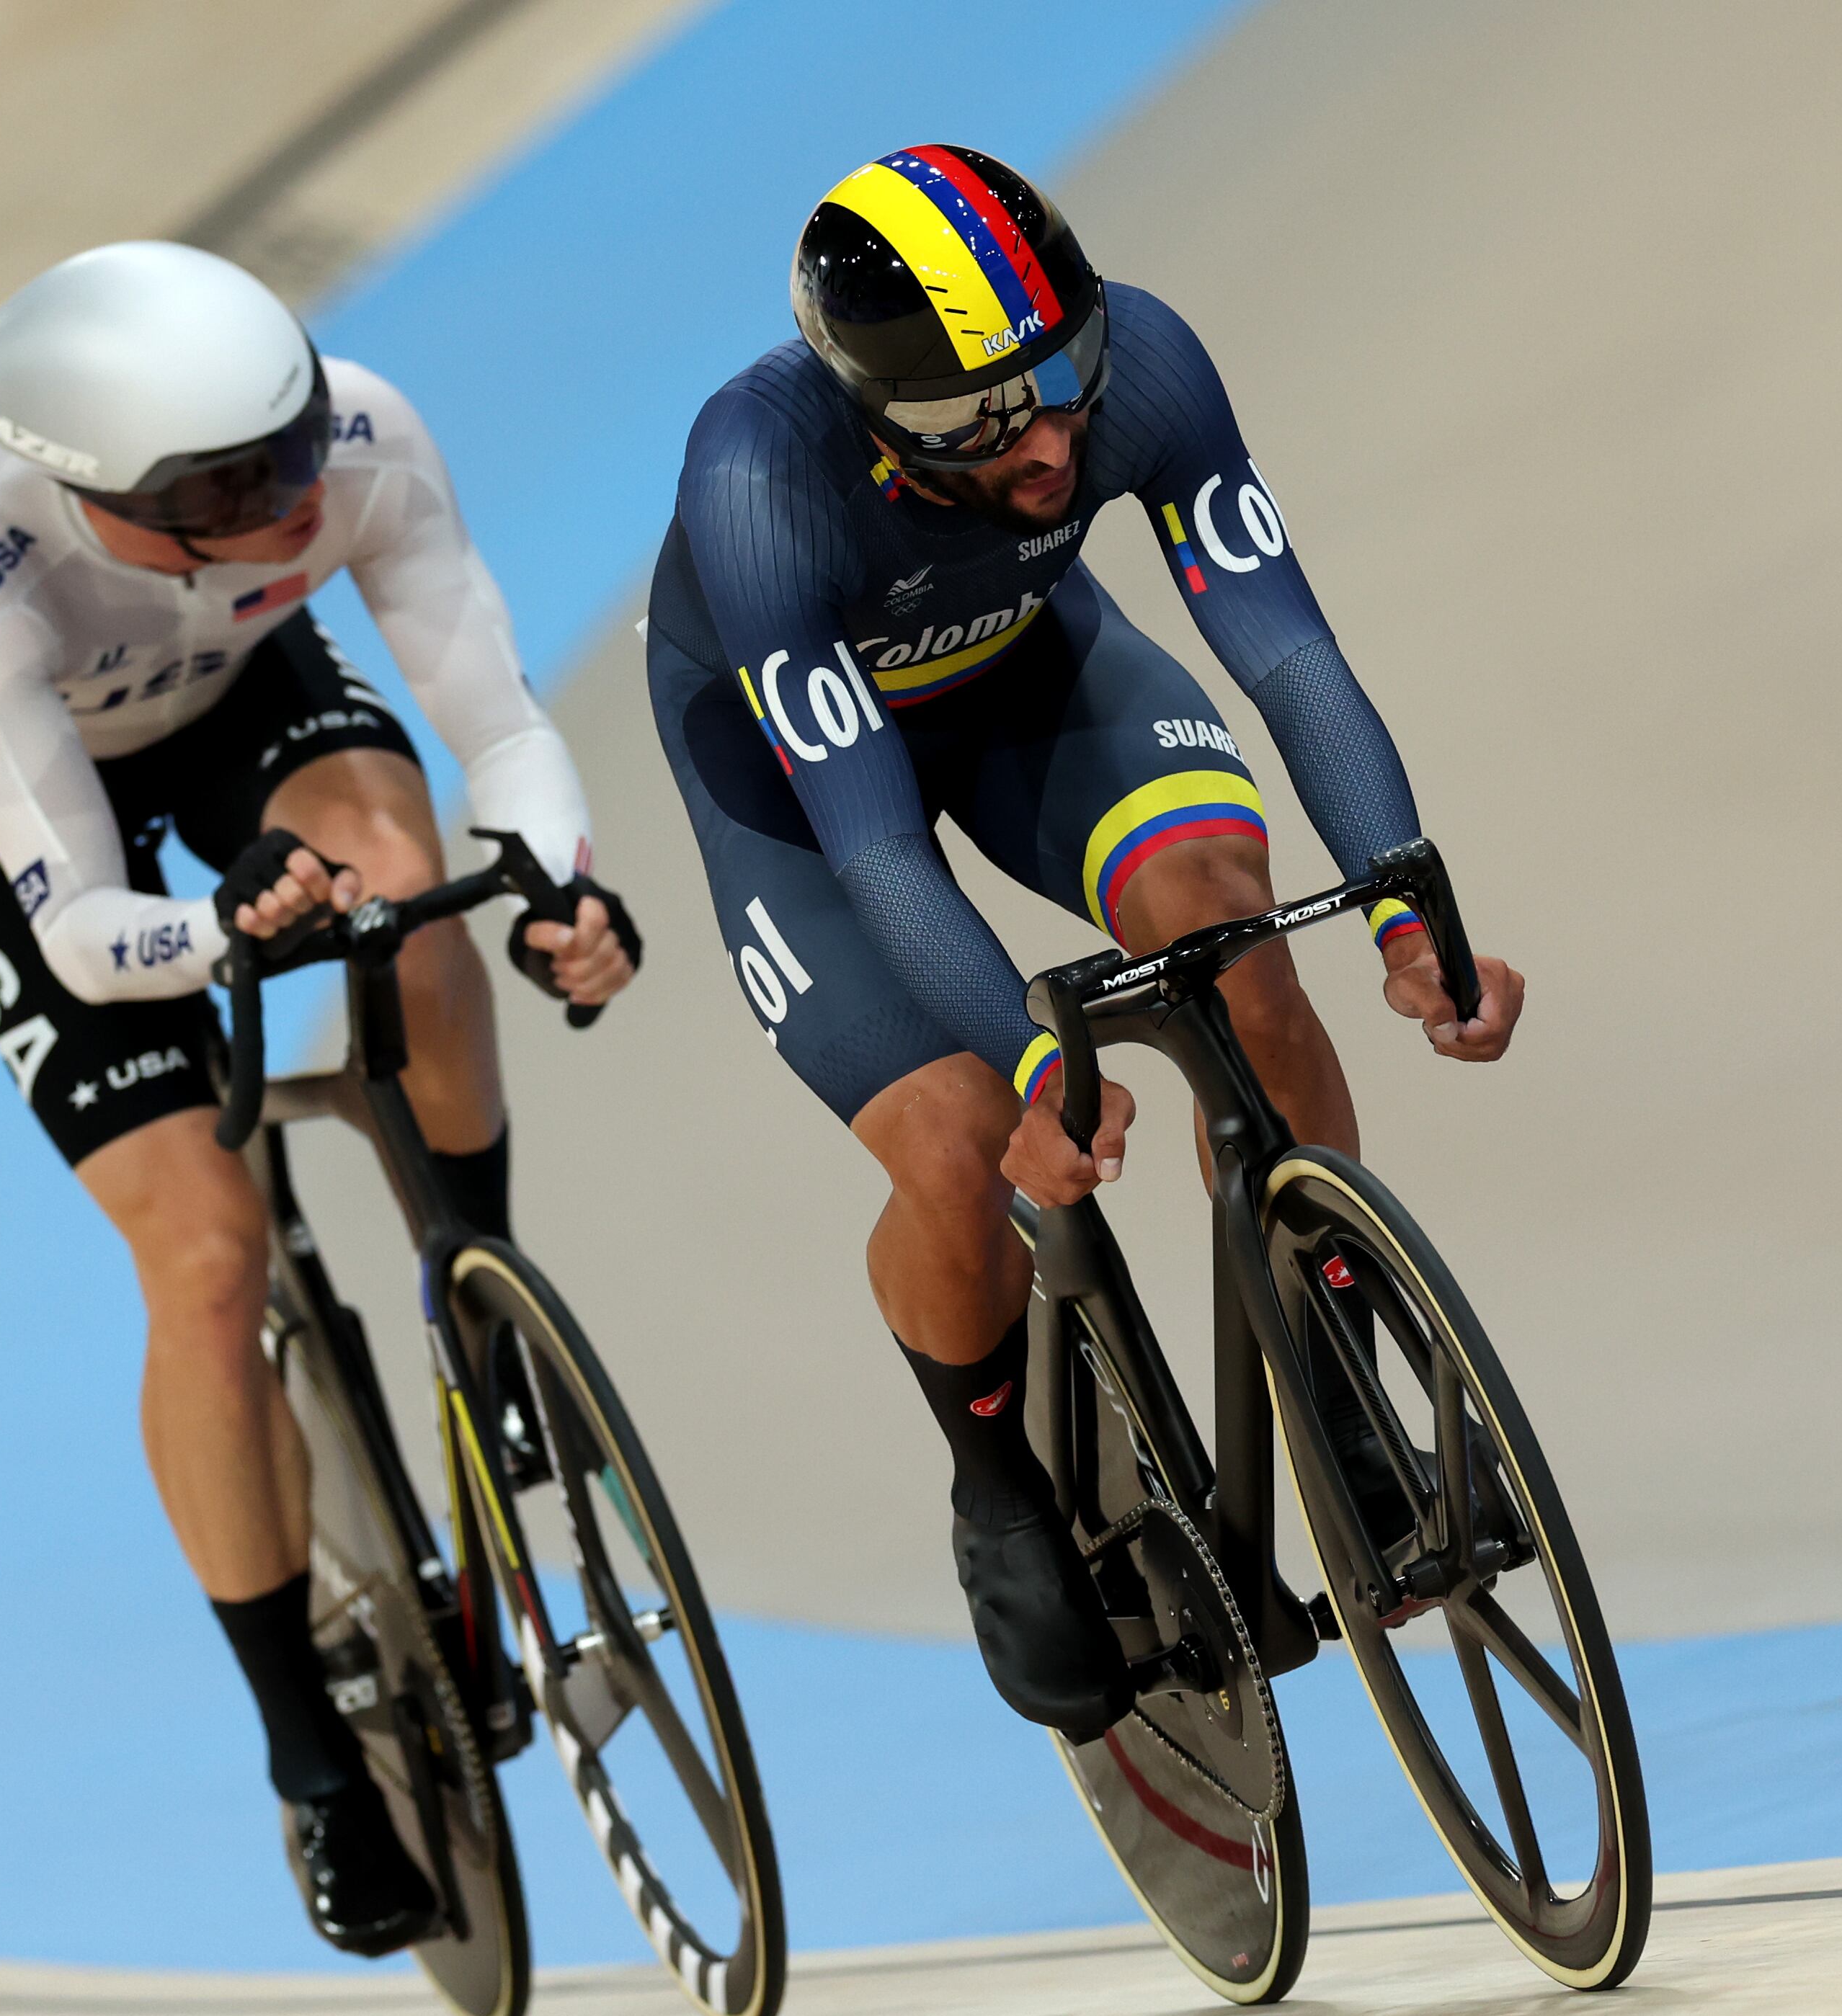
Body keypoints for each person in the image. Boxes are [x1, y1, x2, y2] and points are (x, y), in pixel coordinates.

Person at [645, 146, 1523, 1742]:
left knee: (1230, 931)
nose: (1048, 441)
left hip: (1020, 683)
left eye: (1059, 382)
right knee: (962, 1137)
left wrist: (1405, 898)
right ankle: (994, 1484)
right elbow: (875, 843)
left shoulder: (1151, 364)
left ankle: (1326, 1349)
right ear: (869, 406)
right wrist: (1034, 1053)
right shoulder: (758, 479)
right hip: (802, 789)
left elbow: (1290, 653)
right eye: (985, 422)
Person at [0, 241, 636, 1955]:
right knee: (208, 1257)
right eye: (225, 491)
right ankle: (310, 1751)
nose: (288, 504)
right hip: (54, 809)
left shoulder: (355, 443)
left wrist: (563, 891)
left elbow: (500, 729)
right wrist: (218, 923)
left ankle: (482, 1306)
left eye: (290, 450)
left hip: (242, 705)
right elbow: (74, 922)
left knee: (404, 884)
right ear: (89, 496)